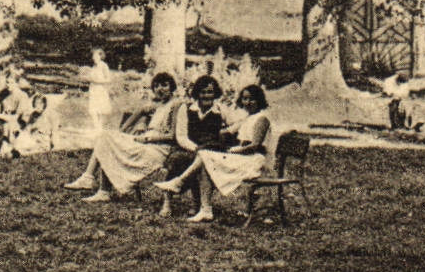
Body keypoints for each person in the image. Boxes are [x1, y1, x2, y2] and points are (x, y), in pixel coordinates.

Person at [154, 84, 275, 222]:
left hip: (254, 160)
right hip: (245, 157)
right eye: (245, 99)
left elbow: (254, 146)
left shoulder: (262, 118)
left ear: (259, 100)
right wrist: (223, 133)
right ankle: (205, 209)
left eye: (252, 99)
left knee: (205, 155)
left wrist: (233, 150)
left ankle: (179, 183)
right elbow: (231, 129)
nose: (248, 102)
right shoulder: (248, 118)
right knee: (205, 156)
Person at [63, 72, 185, 202]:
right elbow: (132, 119)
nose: (160, 89)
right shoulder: (159, 106)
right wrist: (133, 121)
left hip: (156, 149)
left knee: (109, 140)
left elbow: (173, 135)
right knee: (106, 136)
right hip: (144, 142)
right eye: (157, 86)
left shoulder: (176, 105)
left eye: (165, 85)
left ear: (172, 87)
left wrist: (148, 139)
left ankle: (97, 186)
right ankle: (93, 183)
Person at [158, 75, 229, 217]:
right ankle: (167, 201)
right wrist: (196, 149)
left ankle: (198, 203)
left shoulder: (221, 110)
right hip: (189, 147)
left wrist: (225, 133)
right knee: (179, 159)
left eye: (210, 92)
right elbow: (181, 136)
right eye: (203, 92)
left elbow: (235, 125)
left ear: (215, 93)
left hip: (210, 150)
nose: (206, 96)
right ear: (197, 93)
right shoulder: (187, 109)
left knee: (204, 163)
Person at [85, 47, 114, 134]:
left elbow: (108, 79)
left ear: (100, 56)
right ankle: (96, 127)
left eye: (96, 56)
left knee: (101, 109)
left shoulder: (104, 66)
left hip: (101, 89)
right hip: (93, 89)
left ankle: (99, 128)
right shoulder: (94, 66)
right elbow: (91, 77)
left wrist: (98, 81)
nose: (94, 57)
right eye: (93, 56)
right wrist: (89, 79)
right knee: (93, 109)